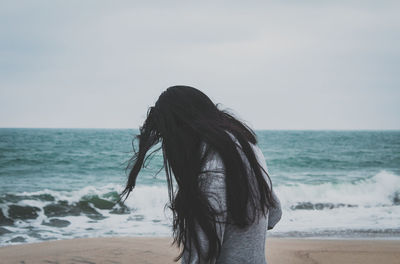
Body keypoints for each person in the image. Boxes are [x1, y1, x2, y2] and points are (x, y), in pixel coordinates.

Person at [119, 85, 282, 264]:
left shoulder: (210, 170)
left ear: (180, 130)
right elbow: (274, 213)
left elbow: (203, 255)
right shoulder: (247, 145)